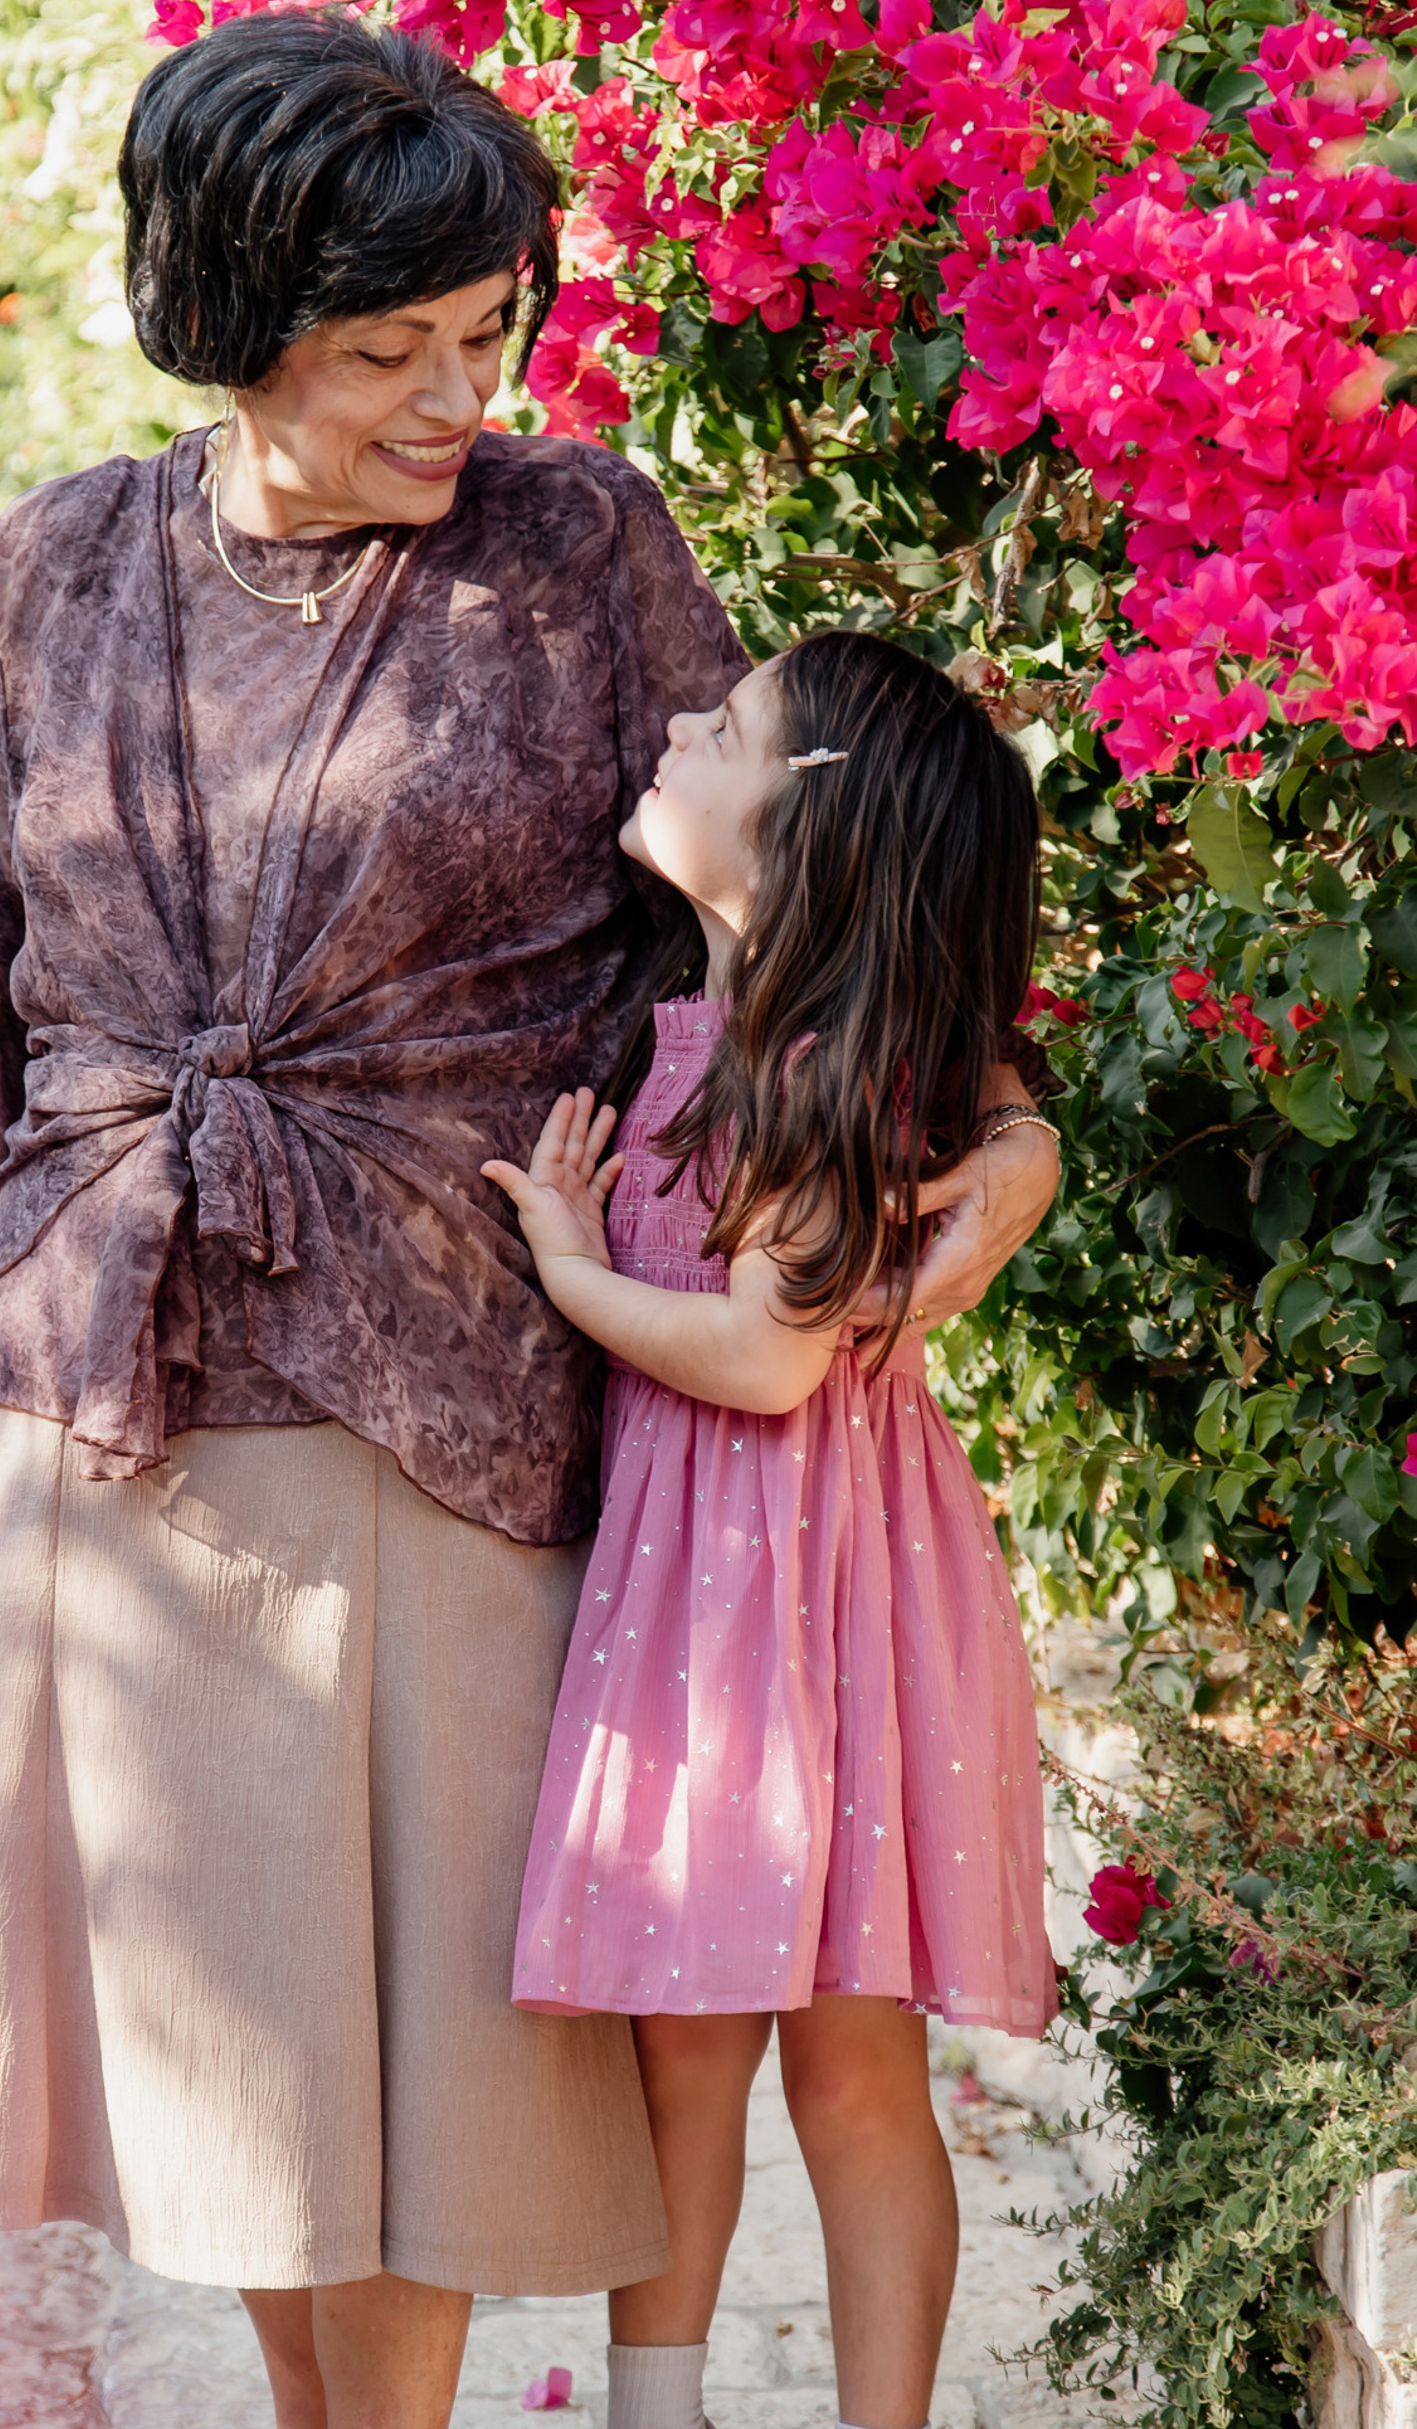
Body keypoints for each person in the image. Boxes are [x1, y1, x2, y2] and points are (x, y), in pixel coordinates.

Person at [0, 9, 1062, 2429]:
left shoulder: (572, 543)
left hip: (450, 1383)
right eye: (385, 347)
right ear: (220, 320)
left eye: (486, 329)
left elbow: (815, 904)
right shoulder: (62, 561)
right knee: (244, 2077)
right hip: (124, 1380)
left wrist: (996, 1144)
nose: (453, 393)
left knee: (412, 2095)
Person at [483, 634, 1058, 2429]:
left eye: (721, 729)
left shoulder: (811, 1072)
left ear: (814, 832)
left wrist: (574, 1276)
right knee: (768, 2061)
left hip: (777, 1617)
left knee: (804, 2067)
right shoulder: (754, 1040)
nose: (674, 727)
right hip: (777, 1602)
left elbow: (758, 1360)